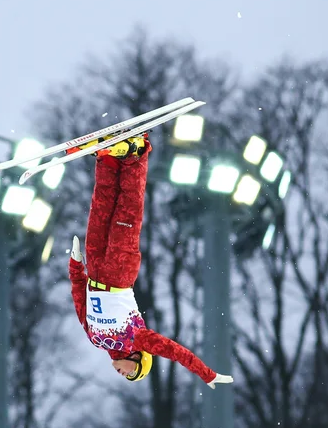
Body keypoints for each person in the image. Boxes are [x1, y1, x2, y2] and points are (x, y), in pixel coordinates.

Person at [68, 132, 234, 389]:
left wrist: (75, 266)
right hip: (120, 273)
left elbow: (81, 302)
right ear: (140, 360)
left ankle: (110, 160)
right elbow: (176, 352)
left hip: (96, 271)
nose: (124, 374)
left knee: (101, 207)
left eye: (127, 377)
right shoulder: (137, 340)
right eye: (133, 373)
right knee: (126, 208)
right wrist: (207, 374)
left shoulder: (96, 340)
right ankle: (135, 155)